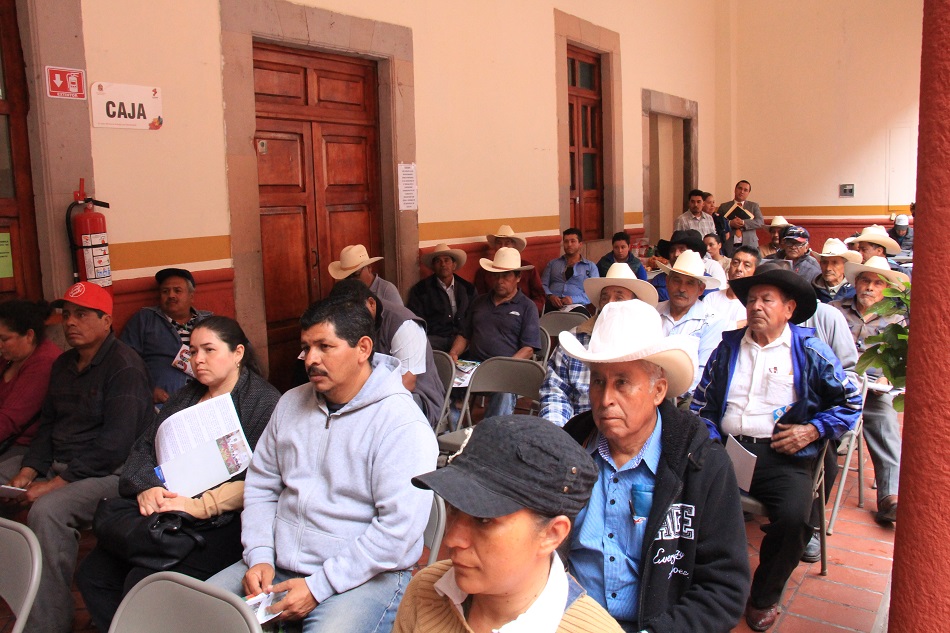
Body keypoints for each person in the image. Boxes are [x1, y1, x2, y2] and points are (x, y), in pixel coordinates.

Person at [208, 297, 437, 631]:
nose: (310, 359)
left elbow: (396, 533)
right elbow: (261, 487)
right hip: (278, 564)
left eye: (324, 346)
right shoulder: (290, 403)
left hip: (366, 575)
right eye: (306, 347)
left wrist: (318, 586)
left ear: (363, 348)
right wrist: (259, 555)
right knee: (198, 613)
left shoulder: (401, 424)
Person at [76, 317, 281, 632]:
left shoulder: (263, 402)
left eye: (209, 350)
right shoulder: (186, 396)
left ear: (238, 353)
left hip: (221, 522)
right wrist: (148, 488)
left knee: (141, 581)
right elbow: (144, 448)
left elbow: (259, 481)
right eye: (193, 350)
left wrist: (196, 505)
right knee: (93, 573)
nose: (197, 360)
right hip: (166, 512)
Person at [559, 299, 750, 633]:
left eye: (622, 382)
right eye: (598, 381)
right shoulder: (569, 449)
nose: (605, 400)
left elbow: (723, 589)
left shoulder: (702, 466)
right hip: (566, 621)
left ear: (658, 390)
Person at [691, 263, 861, 631]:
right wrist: (712, 441)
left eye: (767, 299)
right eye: (751, 299)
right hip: (728, 450)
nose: (756, 306)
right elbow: (700, 404)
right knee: (681, 493)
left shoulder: (809, 349)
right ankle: (693, 581)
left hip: (782, 455)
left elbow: (850, 402)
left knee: (795, 519)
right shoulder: (728, 347)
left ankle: (764, 594)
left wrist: (813, 430)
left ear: (789, 308)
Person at [2, 281, 152, 633]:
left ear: (106, 321)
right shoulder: (64, 364)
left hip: (114, 473)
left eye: (82, 315)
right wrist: (28, 470)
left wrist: (54, 484)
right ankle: (15, 595)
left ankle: (48, 623)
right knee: (6, 482)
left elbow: (114, 447)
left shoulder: (124, 366)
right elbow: (48, 427)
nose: (70, 322)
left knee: (47, 512)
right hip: (61, 463)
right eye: (67, 315)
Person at [394, 415, 623, 633]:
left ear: (552, 534)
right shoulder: (426, 591)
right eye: (453, 509)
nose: (452, 539)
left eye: (484, 520)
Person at [831, 256, 909, 524]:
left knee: (886, 422)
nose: (870, 287)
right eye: (865, 280)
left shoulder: (897, 320)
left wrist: (887, 379)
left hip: (873, 389)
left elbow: (901, 362)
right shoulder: (834, 310)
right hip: (834, 386)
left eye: (878, 283)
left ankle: (890, 497)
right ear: (855, 282)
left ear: (886, 289)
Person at [539, 263, 658, 427]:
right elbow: (555, 392)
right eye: (605, 297)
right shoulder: (575, 339)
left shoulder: (645, 342)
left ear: (634, 303)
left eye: (619, 297)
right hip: (577, 432)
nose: (610, 303)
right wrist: (562, 438)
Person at [330, 279, 445, 428]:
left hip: (416, 396)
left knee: (367, 418)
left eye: (356, 316)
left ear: (371, 304)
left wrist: (361, 402)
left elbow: (407, 382)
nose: (353, 322)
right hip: (367, 392)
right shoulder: (348, 324)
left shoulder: (404, 323)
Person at [449, 248, 541, 419]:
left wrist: (505, 366)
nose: (500, 281)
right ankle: (450, 436)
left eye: (506, 276)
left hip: (506, 368)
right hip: (474, 366)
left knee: (504, 391)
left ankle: (492, 434)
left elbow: (528, 348)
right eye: (496, 276)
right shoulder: (479, 302)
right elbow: (464, 335)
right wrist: (454, 353)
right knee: (444, 381)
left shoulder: (527, 307)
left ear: (518, 278)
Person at [120, 268, 212, 405]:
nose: (171, 295)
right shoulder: (144, 319)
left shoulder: (210, 322)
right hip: (163, 404)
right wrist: (147, 389)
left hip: (206, 399)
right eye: (165, 291)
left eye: (177, 290)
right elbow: (124, 360)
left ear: (191, 296)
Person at [655, 249, 726, 397]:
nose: (682, 289)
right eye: (676, 281)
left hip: (687, 399)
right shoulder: (653, 312)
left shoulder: (712, 321)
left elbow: (703, 372)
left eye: (690, 283)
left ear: (701, 289)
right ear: (667, 282)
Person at [0, 300, 61, 471]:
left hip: (24, 448)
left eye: (4, 339)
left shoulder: (44, 362)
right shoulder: (10, 358)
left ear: (29, 335)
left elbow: (9, 420)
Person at [407, 243, 476, 352]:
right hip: (434, 339)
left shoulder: (468, 289)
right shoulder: (421, 290)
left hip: (462, 338)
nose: (443, 264)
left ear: (454, 265)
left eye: (447, 260)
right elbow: (416, 319)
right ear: (433, 267)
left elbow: (473, 314)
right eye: (438, 261)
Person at [474, 224, 546, 314]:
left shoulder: (528, 269)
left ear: (514, 246)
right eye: (499, 243)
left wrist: (527, 311)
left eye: (507, 243)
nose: (502, 246)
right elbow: (479, 299)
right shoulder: (483, 272)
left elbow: (539, 296)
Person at [651, 230, 726, 301]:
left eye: (682, 250)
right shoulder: (658, 281)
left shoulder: (707, 284)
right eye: (672, 250)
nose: (676, 254)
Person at [541, 228, 599, 313]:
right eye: (566, 241)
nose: (569, 244)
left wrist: (573, 299)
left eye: (573, 241)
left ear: (580, 244)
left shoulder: (590, 267)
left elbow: (593, 292)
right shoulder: (553, 264)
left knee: (580, 316)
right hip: (552, 303)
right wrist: (550, 296)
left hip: (576, 305)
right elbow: (542, 284)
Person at [702, 246, 761, 329]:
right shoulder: (711, 298)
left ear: (756, 271)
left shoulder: (756, 305)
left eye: (746, 265)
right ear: (729, 266)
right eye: (735, 263)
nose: (739, 268)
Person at [329, 243, 403, 306]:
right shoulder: (344, 291)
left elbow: (401, 319)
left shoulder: (386, 290)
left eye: (356, 275)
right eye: (347, 277)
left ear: (369, 268)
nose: (352, 280)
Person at [717, 180, 765, 256]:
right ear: (735, 189)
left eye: (745, 190)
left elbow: (760, 222)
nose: (742, 191)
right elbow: (717, 224)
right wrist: (730, 223)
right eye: (740, 188)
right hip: (729, 245)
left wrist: (743, 223)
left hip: (749, 244)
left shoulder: (753, 206)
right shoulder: (724, 206)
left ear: (748, 193)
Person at [845, 225, 910, 275]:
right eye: (859, 250)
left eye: (864, 250)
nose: (860, 253)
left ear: (879, 251)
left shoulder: (900, 272)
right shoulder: (855, 271)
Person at [812, 238, 861, 303]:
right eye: (824, 262)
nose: (828, 268)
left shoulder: (856, 289)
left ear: (845, 265)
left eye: (834, 263)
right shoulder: (813, 290)